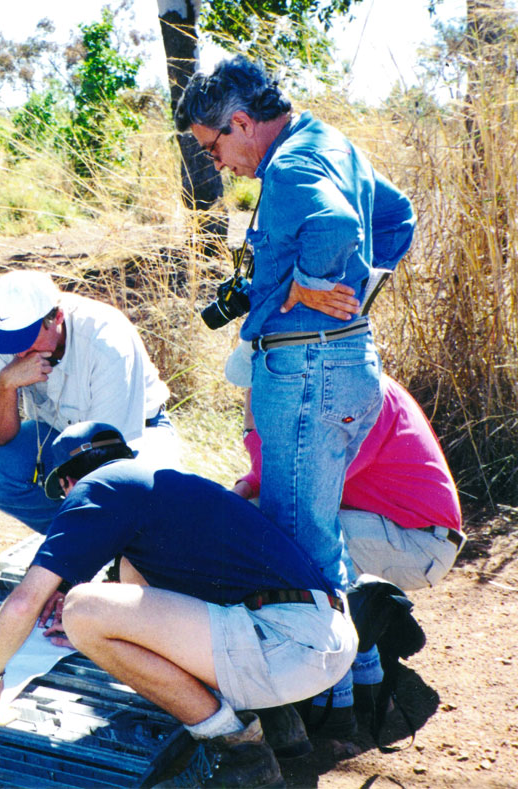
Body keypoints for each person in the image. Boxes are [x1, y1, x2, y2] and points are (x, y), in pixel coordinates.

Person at [175, 57, 414, 730]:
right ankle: (356, 681)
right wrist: (358, 291)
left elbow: (336, 224)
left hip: (307, 368)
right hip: (339, 361)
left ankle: (325, 699)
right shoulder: (331, 143)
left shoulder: (289, 166)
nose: (218, 162)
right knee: (315, 529)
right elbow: (398, 217)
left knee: (296, 540)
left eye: (213, 145)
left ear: (242, 122)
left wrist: (308, 286)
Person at [0, 422, 357, 788]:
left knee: (81, 610)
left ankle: (237, 751)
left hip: (284, 648)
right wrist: (124, 640)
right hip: (325, 638)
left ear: (69, 484)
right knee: (126, 573)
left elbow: (23, 604)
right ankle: (281, 725)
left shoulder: (97, 487)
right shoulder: (166, 486)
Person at [225, 341, 464, 591]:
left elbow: (299, 488)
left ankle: (337, 623)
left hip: (421, 543)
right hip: (395, 530)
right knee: (253, 519)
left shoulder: (354, 395)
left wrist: (252, 429)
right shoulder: (340, 384)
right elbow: (290, 466)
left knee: (282, 534)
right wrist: (244, 488)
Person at [0, 270, 179, 533]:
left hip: (134, 435)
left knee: (140, 502)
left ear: (57, 317)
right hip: (56, 433)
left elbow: (108, 457)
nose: (19, 352)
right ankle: (75, 538)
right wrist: (5, 384)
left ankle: (104, 543)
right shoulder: (0, 334)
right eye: (12, 341)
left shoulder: (106, 339)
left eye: (27, 338)